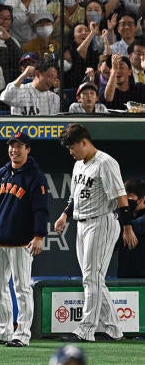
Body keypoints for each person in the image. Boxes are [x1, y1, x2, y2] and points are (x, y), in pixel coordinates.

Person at [54, 124, 138, 342]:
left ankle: (87, 329)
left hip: (102, 222)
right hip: (82, 224)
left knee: (91, 277)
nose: (70, 152)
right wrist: (64, 215)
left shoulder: (106, 163)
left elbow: (121, 198)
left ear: (84, 142)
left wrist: (127, 227)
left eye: (72, 147)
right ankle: (113, 328)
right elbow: (74, 197)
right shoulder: (79, 165)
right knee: (93, 279)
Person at [0, 132, 48, 348]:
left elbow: (41, 210)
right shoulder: (1, 173)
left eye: (19, 146)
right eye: (11, 146)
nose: (14, 150)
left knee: (22, 289)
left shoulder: (35, 176)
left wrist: (39, 236)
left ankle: (22, 334)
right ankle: (5, 330)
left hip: (22, 243)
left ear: (28, 149)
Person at [118, 179, 145, 278]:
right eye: (124, 197)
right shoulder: (126, 217)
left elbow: (138, 225)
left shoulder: (126, 220)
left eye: (129, 197)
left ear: (141, 199)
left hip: (142, 279)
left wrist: (122, 220)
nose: (125, 202)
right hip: (124, 276)